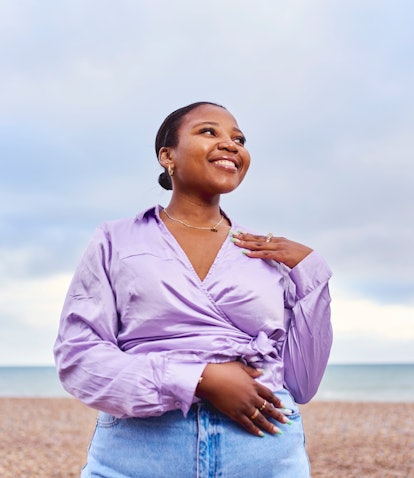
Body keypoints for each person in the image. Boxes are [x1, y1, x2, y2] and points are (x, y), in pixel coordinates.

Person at [54, 101, 333, 478]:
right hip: (141, 450)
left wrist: (312, 274)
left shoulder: (265, 255)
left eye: (239, 138)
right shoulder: (115, 240)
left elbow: (301, 382)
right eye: (209, 132)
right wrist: (198, 378)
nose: (231, 144)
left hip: (263, 450)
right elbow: (78, 356)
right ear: (167, 155)